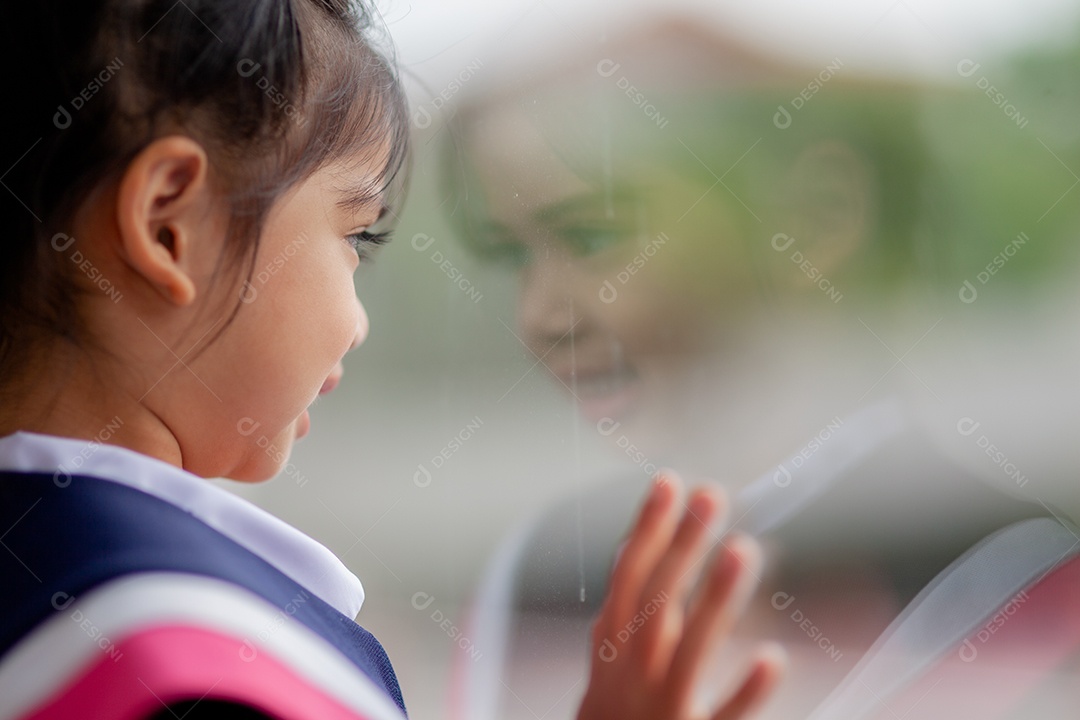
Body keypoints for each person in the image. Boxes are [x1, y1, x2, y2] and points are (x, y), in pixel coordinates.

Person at [0, 1, 784, 719]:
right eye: (355, 236)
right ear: (170, 222)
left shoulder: (52, 592)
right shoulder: (182, 665)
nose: (360, 325)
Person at [442, 16, 1078, 719]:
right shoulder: (537, 572)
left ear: (817, 218)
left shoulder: (1016, 582)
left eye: (593, 235)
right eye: (513, 256)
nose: (541, 315)